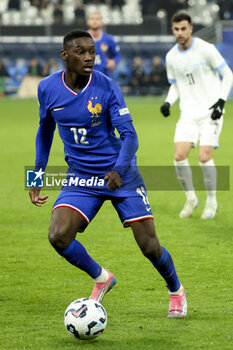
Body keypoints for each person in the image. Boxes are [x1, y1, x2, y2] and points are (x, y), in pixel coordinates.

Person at [29, 29, 187, 318]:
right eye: (81, 52)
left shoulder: (106, 86)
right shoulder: (47, 88)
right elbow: (45, 131)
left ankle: (176, 289)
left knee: (149, 247)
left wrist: (118, 169)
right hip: (80, 176)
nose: (89, 57)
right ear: (65, 56)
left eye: (92, 51)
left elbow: (130, 136)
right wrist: (36, 177)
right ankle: (102, 277)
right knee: (58, 236)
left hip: (120, 174)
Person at [160, 13, 233, 219]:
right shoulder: (171, 56)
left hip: (211, 111)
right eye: (176, 29)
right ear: (173, 30)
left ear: (190, 28)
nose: (180, 33)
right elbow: (175, 84)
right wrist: (168, 102)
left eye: (183, 28)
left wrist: (221, 101)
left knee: (204, 157)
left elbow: (228, 74)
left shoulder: (206, 49)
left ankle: (212, 201)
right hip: (188, 113)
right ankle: (191, 198)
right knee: (179, 157)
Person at [87, 12, 121, 76]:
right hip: (86, 77)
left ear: (102, 22)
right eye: (92, 19)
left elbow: (118, 55)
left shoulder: (109, 39)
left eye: (97, 19)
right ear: (87, 22)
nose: (94, 21)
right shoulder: (81, 39)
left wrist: (113, 62)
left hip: (104, 76)